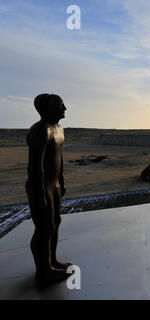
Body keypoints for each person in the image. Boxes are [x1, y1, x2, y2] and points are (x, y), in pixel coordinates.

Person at [26, 93, 71, 284]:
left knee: (56, 222)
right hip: (41, 186)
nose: (65, 108)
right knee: (44, 227)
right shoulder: (40, 131)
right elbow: (36, 166)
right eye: (61, 105)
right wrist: (41, 192)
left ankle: (52, 261)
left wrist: (61, 180)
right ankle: (43, 271)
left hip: (55, 185)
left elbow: (58, 158)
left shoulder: (59, 130)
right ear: (48, 108)